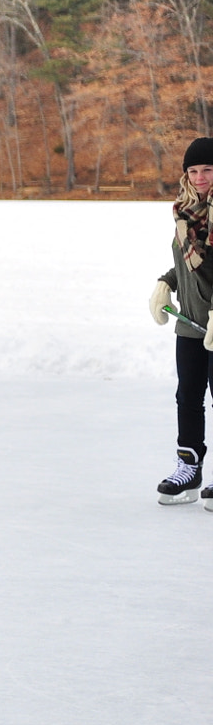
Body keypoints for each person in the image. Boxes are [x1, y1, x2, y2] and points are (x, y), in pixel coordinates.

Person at [149, 136, 213, 506]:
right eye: (194, 170)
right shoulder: (185, 211)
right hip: (190, 321)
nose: (201, 176)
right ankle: (189, 468)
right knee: (188, 396)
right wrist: (165, 282)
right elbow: (185, 266)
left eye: (207, 169)